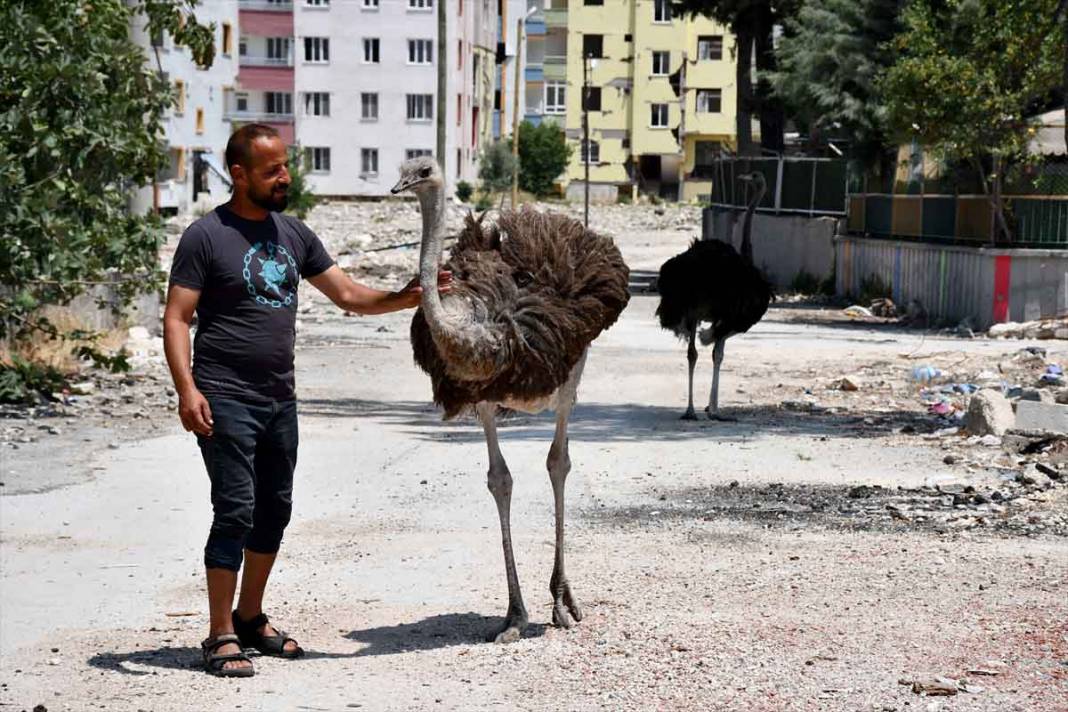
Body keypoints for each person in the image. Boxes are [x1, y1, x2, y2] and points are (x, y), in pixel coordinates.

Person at [162, 124, 449, 677]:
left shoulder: (293, 233)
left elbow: (347, 295)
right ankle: (220, 634)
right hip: (223, 396)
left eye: (286, 166)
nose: (285, 177)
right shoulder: (206, 236)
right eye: (272, 170)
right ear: (239, 174)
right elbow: (177, 318)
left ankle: (250, 617)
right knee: (235, 512)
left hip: (278, 399)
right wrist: (187, 390)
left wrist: (408, 297)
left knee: (275, 510)